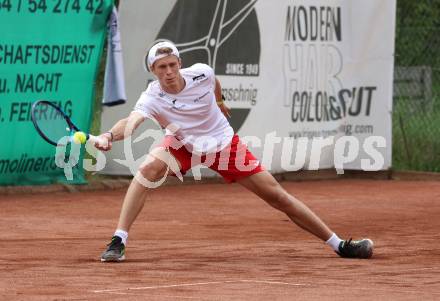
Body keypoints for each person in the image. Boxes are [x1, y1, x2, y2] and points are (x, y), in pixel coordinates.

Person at [95, 40, 373, 262]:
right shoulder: (152, 96)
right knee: (146, 170)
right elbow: (131, 122)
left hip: (223, 144)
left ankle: (339, 245)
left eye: (171, 65)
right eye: (160, 67)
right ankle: (118, 240)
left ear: (180, 63)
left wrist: (219, 100)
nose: (167, 72)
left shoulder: (202, 73)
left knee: (278, 197)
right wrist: (110, 135)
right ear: (153, 71)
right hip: (183, 145)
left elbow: (214, 83)